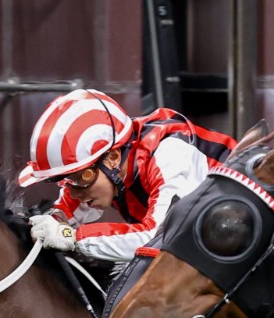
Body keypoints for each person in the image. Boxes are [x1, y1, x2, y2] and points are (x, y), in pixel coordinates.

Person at [20, 89, 235, 265]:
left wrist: (72, 238)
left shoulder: (172, 155)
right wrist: (52, 220)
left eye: (80, 179)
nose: (74, 192)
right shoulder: (108, 169)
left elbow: (161, 240)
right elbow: (66, 213)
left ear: (112, 157)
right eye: (67, 182)